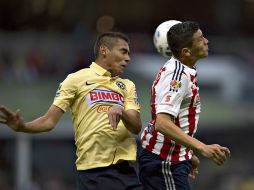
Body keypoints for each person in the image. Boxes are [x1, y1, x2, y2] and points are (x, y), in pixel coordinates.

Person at [0, 32, 143, 190]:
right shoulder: (75, 80)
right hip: (93, 174)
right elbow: (49, 121)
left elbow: (136, 126)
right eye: (123, 51)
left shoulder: (127, 85)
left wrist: (121, 111)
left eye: (128, 53)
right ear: (104, 51)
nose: (128, 58)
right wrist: (23, 127)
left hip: (126, 172)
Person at [138, 21, 231, 190]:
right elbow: (162, 122)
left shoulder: (184, 69)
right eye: (201, 38)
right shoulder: (177, 77)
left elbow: (177, 119)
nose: (206, 41)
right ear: (186, 51)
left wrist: (187, 152)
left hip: (171, 159)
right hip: (164, 161)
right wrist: (202, 147)